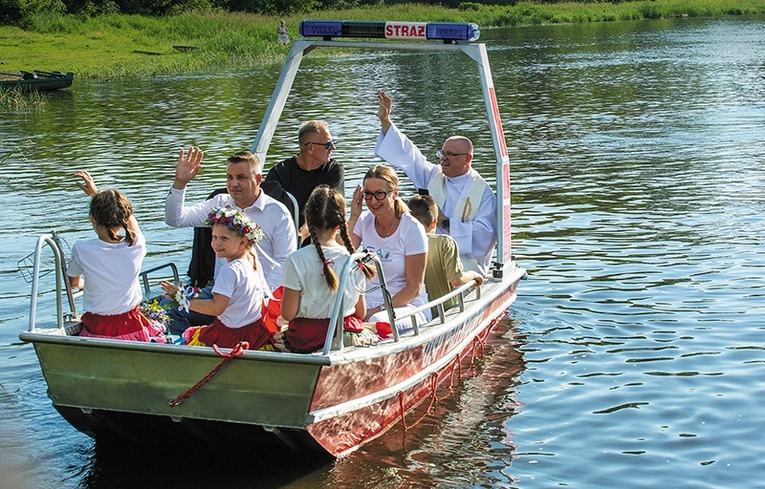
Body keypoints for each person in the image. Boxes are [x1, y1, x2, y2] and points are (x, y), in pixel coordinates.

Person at [164, 147, 296, 334]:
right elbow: (175, 219)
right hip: (221, 294)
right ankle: (188, 354)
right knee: (170, 306)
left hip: (258, 299)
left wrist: (260, 294)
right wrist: (180, 183)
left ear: (258, 180)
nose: (233, 183)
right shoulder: (219, 203)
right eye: (229, 177)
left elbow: (286, 262)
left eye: (241, 177)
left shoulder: (278, 212)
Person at [374, 91, 498, 276]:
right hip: (426, 259)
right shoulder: (433, 175)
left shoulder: (483, 193)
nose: (444, 159)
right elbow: (410, 154)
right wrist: (386, 121)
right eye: (442, 153)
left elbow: (485, 236)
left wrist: (444, 222)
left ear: (468, 159)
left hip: (464, 267)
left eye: (451, 155)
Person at [66, 171, 166, 342]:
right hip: (131, 324)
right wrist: (96, 193)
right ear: (123, 219)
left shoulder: (82, 248)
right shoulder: (137, 244)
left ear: (92, 219)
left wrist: (91, 283)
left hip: (97, 326)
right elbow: (130, 221)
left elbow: (73, 283)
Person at [275, 186, 377, 353]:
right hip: (345, 334)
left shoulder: (295, 259)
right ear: (340, 225)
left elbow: (288, 313)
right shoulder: (353, 258)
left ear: (307, 219)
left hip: (305, 338)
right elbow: (360, 312)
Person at [161, 208, 273, 350]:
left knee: (189, 331)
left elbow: (216, 308)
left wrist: (182, 300)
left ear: (243, 242)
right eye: (214, 237)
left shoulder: (229, 270)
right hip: (254, 333)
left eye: (224, 238)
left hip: (231, 337)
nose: (216, 243)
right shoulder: (253, 262)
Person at [348, 166, 430, 330]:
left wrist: (376, 310)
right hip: (367, 304)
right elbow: (338, 253)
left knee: (379, 321)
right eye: (368, 195)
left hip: (406, 307)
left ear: (395, 193)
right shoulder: (364, 221)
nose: (373, 201)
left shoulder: (411, 228)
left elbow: (414, 288)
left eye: (380, 194)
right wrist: (354, 216)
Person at [265, 120, 343, 243]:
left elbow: (330, 208)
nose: (333, 148)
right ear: (310, 148)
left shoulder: (333, 170)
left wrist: (303, 233)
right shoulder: (279, 173)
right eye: (328, 145)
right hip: (285, 238)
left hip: (321, 240)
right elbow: (269, 210)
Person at [408, 195, 484, 318]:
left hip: (416, 312)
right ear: (434, 223)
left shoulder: (402, 243)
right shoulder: (444, 242)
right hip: (443, 310)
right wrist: (474, 275)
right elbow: (457, 280)